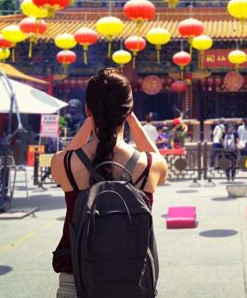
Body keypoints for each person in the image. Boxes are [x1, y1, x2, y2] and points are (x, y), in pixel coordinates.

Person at [50, 68, 167, 298]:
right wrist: (131, 120)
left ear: (87, 109)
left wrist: (92, 118)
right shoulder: (150, 165)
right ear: (128, 110)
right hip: (134, 281)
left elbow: (67, 153)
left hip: (76, 281)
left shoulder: (64, 163)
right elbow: (162, 163)